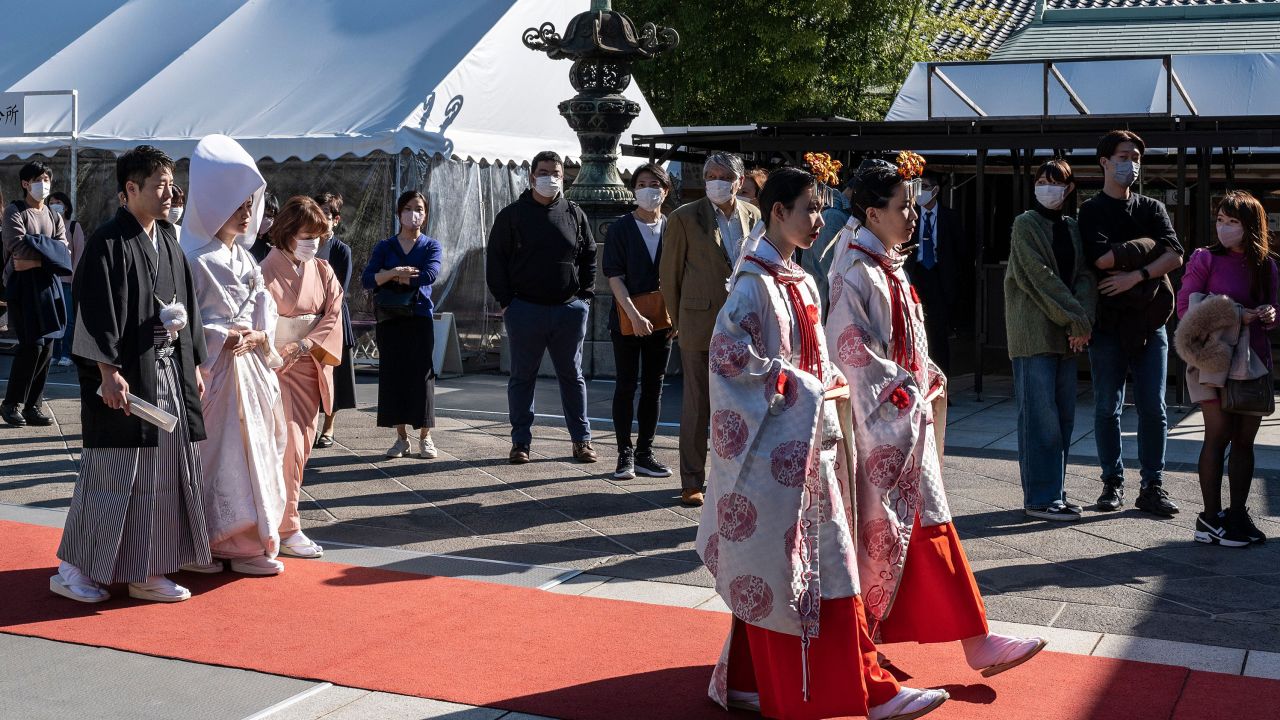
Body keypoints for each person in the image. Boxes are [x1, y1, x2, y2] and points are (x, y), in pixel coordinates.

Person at [700, 166, 948, 720]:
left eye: (819, 208)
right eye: (808, 209)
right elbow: (726, 356)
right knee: (816, 568)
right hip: (777, 453)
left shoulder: (799, 279)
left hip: (812, 443)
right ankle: (869, 689)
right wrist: (802, 387)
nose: (817, 220)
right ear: (777, 213)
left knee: (794, 568)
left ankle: (745, 681)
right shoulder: (752, 284)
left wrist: (819, 389)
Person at [825, 157, 1045, 685]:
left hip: (901, 418)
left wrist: (926, 373)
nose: (912, 215)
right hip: (880, 425)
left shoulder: (883, 263)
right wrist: (902, 385)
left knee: (921, 529)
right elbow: (848, 347)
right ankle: (969, 641)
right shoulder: (856, 269)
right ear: (873, 214)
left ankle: (970, 639)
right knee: (911, 531)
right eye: (902, 208)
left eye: (912, 206)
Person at [52, 145, 212, 603]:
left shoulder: (168, 241)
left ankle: (148, 568)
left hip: (166, 372)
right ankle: (74, 566)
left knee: (162, 474)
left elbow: (190, 310)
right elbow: (94, 314)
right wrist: (107, 370)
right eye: (159, 185)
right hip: (126, 378)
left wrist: (192, 363)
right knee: (113, 473)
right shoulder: (108, 242)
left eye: (170, 183)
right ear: (130, 189)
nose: (169, 193)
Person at [180, 134, 288, 576]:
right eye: (239, 204)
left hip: (249, 369)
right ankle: (204, 541)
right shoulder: (194, 257)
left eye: (249, 204)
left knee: (254, 452)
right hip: (215, 371)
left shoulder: (244, 258)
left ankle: (245, 541)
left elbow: (266, 308)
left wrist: (260, 336)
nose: (247, 213)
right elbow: (180, 318)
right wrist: (221, 334)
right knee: (215, 456)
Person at [1078, 130, 1184, 516]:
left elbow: (1175, 254)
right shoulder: (1091, 211)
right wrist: (1148, 251)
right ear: (1104, 162)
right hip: (1107, 325)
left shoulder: (1153, 208)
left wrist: (1134, 276)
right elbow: (1101, 260)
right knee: (1108, 406)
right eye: (1124, 156)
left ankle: (1152, 485)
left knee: (1154, 407)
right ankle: (1112, 483)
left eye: (1136, 157)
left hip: (1151, 322)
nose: (1131, 164)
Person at [1175, 191, 1277, 547]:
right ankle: (1210, 517)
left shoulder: (1266, 265)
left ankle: (1237, 515)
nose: (1224, 227)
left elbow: (1276, 308)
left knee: (1245, 440)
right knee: (1217, 434)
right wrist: (1236, 314)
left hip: (1253, 363)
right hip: (1212, 362)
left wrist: (1269, 314)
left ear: (1251, 226)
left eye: (1233, 221)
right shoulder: (1204, 259)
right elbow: (1185, 308)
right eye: (1220, 219)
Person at [659, 152, 761, 506]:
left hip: (744, 325)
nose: (716, 181)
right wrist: (678, 319)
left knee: (743, 403)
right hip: (699, 321)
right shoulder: (684, 217)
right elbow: (669, 276)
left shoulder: (754, 215)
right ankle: (691, 479)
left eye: (723, 176)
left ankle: (734, 476)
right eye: (710, 175)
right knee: (698, 403)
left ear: (738, 180)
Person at [486, 150, 598, 465]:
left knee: (572, 377)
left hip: (568, 310)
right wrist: (508, 302)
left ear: (564, 178)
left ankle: (582, 441)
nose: (550, 178)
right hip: (525, 309)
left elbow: (589, 256)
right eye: (544, 172)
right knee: (522, 378)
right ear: (532, 176)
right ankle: (520, 442)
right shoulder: (512, 215)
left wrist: (585, 298)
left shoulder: (575, 214)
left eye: (557, 173)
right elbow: (495, 262)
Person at [1004, 160, 1097, 521]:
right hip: (1034, 334)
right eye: (1042, 181)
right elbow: (1038, 277)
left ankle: (1054, 491)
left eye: (1055, 182)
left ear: (1069, 188)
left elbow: (1086, 276)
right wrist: (1076, 319)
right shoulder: (1024, 225)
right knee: (1039, 418)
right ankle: (1040, 497)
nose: (1047, 187)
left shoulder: (1072, 228)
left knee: (1063, 418)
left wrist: (1082, 320)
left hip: (1067, 336)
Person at [260, 196, 344, 559]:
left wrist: (307, 342)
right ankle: (287, 526)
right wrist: (280, 350)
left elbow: (334, 312)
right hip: (277, 366)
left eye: (318, 236)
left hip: (311, 364)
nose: (314, 243)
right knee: (287, 446)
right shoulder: (264, 270)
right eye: (308, 235)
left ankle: (275, 522)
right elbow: (257, 319)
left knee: (303, 445)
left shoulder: (324, 270)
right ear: (288, 232)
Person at [603, 163, 675, 480]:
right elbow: (613, 277)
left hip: (664, 318)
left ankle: (645, 452)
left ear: (665, 190)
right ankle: (624, 454)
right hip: (626, 315)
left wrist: (678, 316)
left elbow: (680, 275)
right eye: (642, 183)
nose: (648, 189)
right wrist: (634, 315)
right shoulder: (620, 228)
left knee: (654, 388)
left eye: (654, 183)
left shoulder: (673, 227)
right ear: (634, 189)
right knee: (626, 384)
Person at [363, 190, 442, 459]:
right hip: (389, 318)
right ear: (399, 214)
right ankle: (400, 437)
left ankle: (425, 436)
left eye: (419, 208)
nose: (413, 214)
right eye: (408, 208)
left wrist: (391, 278)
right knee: (393, 375)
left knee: (422, 376)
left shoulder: (431, 245)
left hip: (419, 317)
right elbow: (368, 278)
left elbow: (429, 275)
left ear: (425, 214)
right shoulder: (385, 246)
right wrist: (397, 272)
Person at [2, 161, 68, 427]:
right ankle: (11, 403)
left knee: (47, 347)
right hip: (22, 286)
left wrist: (39, 256)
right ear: (25, 183)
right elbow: (16, 245)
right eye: (38, 179)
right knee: (32, 345)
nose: (44, 184)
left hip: (48, 286)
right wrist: (50, 253)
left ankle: (34, 405)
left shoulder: (54, 217)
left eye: (47, 179)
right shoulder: (15, 211)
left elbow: (64, 253)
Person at [904, 169, 968, 378]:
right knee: (915, 330)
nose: (920, 192)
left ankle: (941, 382)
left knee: (938, 334)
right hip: (917, 274)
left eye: (924, 187)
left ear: (936, 190)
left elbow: (961, 252)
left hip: (940, 277)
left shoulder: (950, 217)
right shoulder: (910, 215)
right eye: (917, 187)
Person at [313, 192, 357, 449]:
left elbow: (341, 288)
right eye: (317, 213)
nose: (321, 219)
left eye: (326, 215)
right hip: (306, 320)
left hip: (334, 318)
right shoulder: (304, 243)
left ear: (336, 219)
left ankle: (329, 427)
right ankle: (311, 424)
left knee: (334, 375)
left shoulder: (342, 250)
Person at [48, 191, 85, 368]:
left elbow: (79, 254)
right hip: (50, 281)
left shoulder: (73, 226)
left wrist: (76, 279)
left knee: (69, 320)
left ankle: (66, 353)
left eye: (58, 202)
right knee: (53, 319)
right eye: (51, 202)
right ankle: (54, 354)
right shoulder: (47, 226)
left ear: (66, 206)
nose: (54, 205)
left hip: (68, 282)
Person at [249, 193, 279, 263]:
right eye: (264, 215)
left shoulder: (269, 249)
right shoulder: (242, 240)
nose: (267, 220)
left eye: (270, 217)